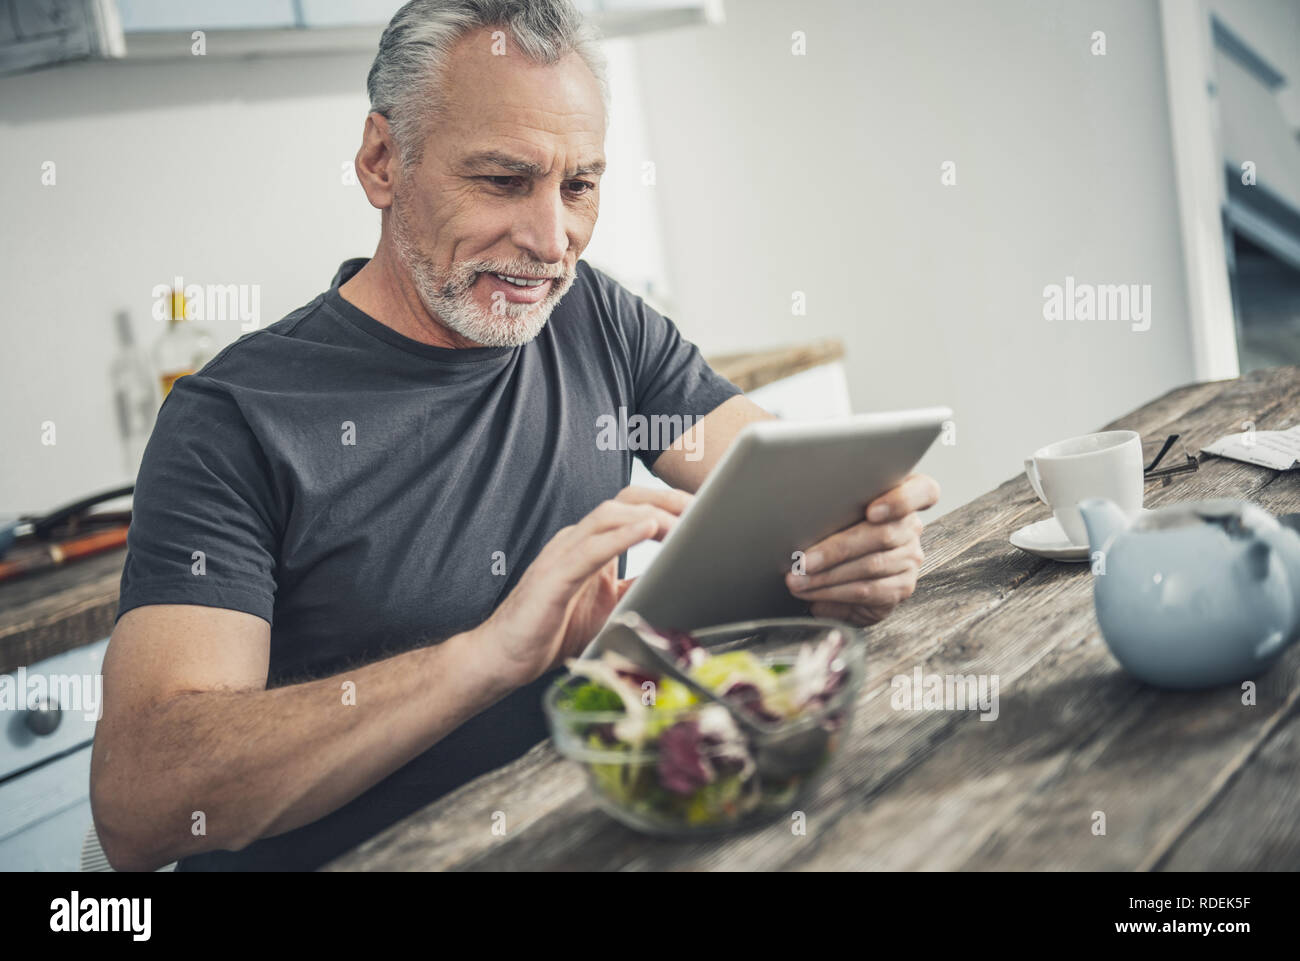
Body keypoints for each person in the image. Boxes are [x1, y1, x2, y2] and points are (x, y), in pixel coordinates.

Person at [90, 0, 939, 871]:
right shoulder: (231, 419)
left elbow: (794, 490)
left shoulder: (594, 318)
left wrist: (855, 545)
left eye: (579, 187)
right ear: (382, 162)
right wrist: (485, 658)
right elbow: (142, 799)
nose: (551, 241)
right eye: (502, 180)